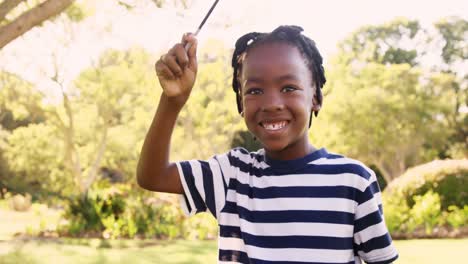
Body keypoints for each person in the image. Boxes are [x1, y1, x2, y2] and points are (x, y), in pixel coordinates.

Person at [137, 25, 399, 264]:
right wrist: (172, 101)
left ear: (316, 97)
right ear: (241, 104)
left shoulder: (353, 181)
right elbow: (153, 176)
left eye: (288, 88)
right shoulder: (232, 176)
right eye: (254, 91)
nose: (272, 103)